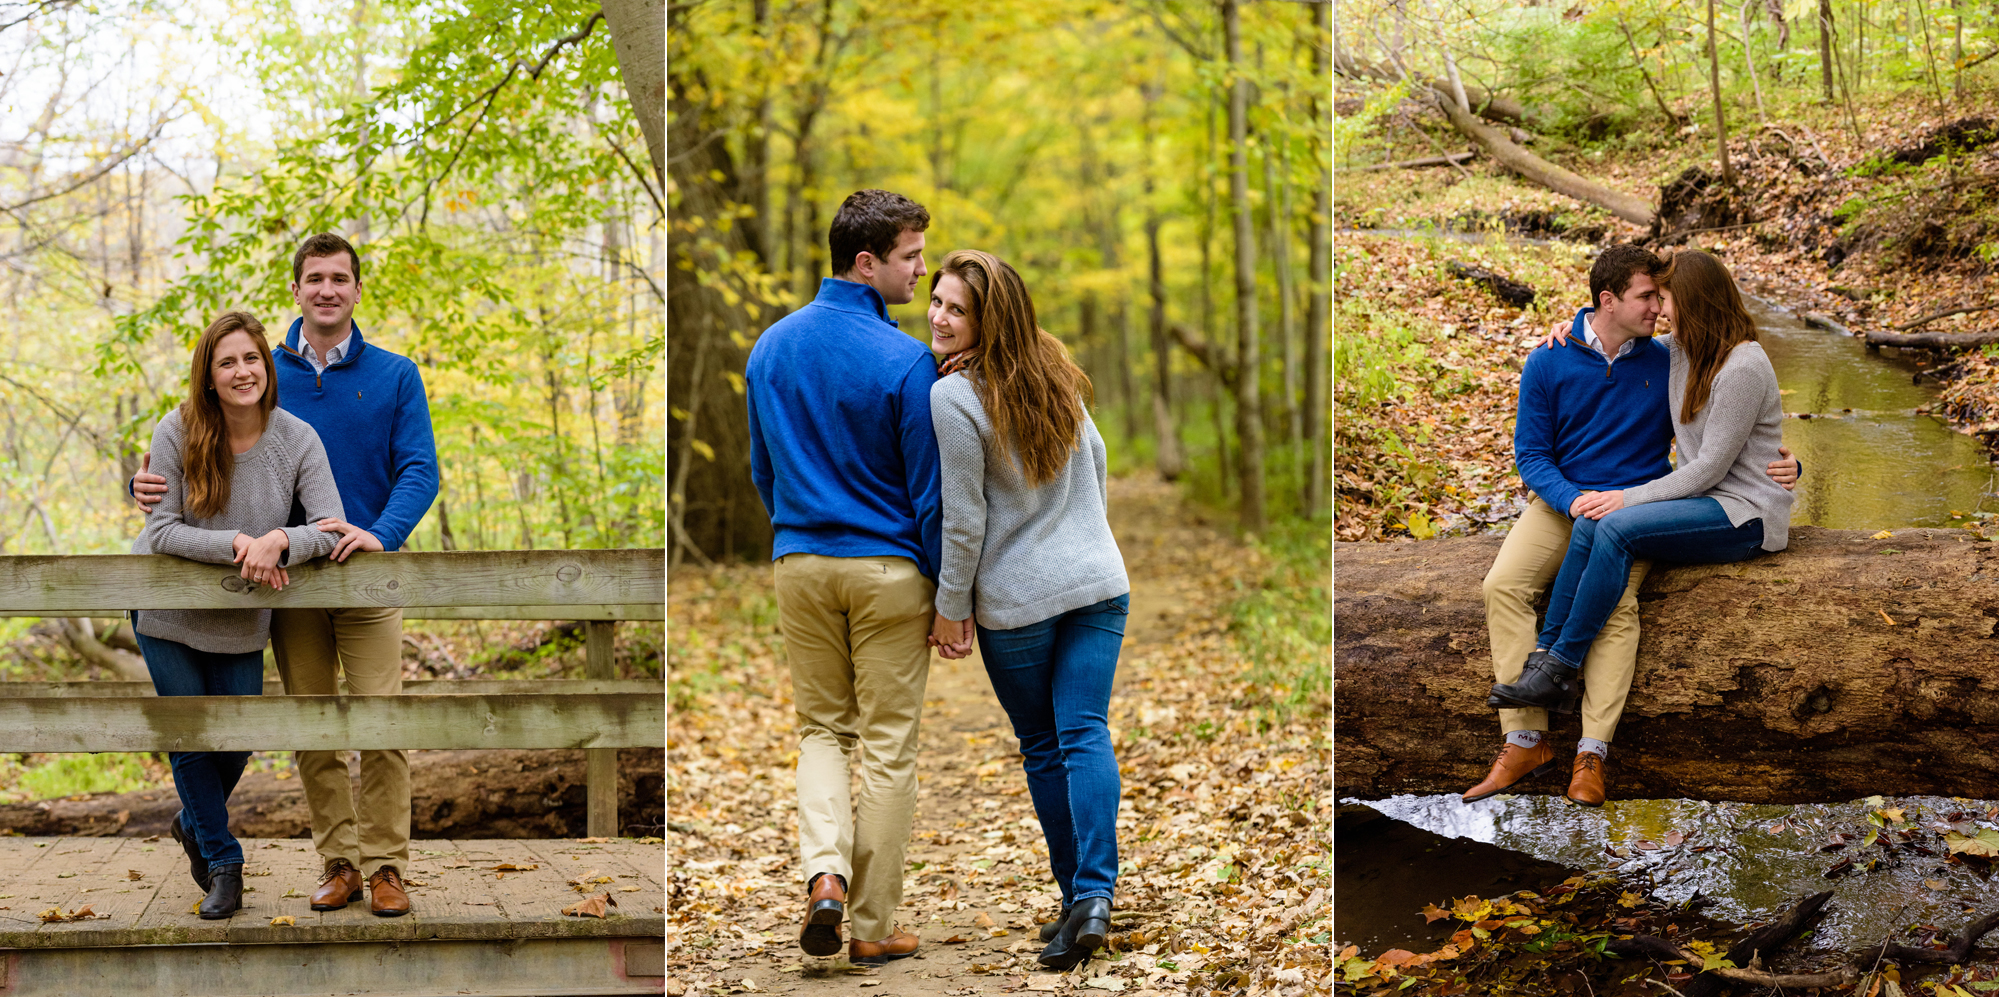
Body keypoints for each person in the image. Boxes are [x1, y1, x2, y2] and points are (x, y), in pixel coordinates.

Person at [131, 233, 439, 916]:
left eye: (340, 278)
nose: (327, 289)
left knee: (380, 723)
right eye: (314, 279)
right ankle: (337, 860)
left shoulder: (395, 374)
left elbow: (421, 469)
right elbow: (185, 449)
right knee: (312, 728)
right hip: (287, 588)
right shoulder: (258, 366)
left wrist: (380, 534)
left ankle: (387, 864)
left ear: (357, 289)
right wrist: (145, 484)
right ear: (295, 290)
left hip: (362, 579)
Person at [1464, 244, 1798, 808]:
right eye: (1648, 297)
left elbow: (1731, 446)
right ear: (1607, 301)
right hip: (1570, 503)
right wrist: (1573, 501)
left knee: (1617, 603)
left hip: (1643, 500)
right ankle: (1524, 737)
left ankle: (1590, 752)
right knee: (1502, 586)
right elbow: (1531, 455)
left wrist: (1789, 465)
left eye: (1664, 299)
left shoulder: (1668, 353)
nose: (1657, 311)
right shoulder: (1555, 356)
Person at [745, 189, 941, 966]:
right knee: (889, 744)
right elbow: (929, 494)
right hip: (890, 568)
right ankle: (869, 925)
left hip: (800, 565)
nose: (922, 270)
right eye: (911, 256)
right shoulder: (906, 360)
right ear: (867, 263)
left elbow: (764, 472)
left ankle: (823, 872)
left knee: (822, 730)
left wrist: (800, 528)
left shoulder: (770, 347)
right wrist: (949, 593)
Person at [925, 250, 1130, 972]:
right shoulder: (1052, 369)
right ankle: (1094, 898)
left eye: (957, 308)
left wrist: (951, 606)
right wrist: (1083, 538)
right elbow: (1097, 459)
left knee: (1048, 743)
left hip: (1018, 603)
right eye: (937, 301)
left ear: (988, 320)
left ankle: (1079, 895)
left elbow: (964, 518)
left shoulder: (951, 399)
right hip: (1101, 580)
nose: (939, 317)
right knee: (1085, 731)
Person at [132, 311, 345, 919]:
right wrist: (237, 544)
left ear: (267, 366)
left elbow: (329, 528)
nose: (241, 371)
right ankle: (225, 862)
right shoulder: (177, 430)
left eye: (251, 358)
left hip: (242, 611)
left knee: (237, 739)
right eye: (227, 362)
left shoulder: (297, 438)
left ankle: (190, 822)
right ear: (209, 374)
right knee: (192, 739)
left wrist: (279, 539)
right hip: (166, 604)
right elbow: (164, 529)